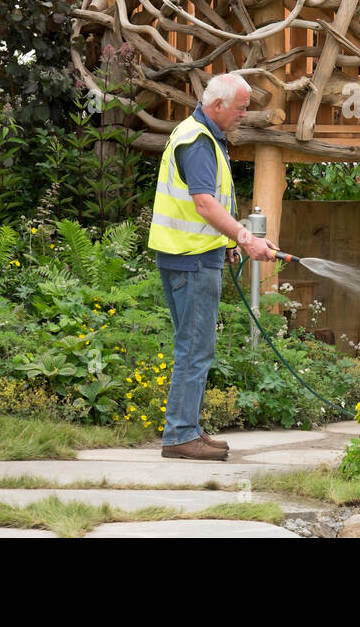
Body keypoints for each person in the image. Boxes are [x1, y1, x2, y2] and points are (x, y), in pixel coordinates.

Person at [148, 73, 277, 461]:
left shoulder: (196, 134)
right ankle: (181, 435)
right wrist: (245, 237)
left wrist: (225, 244)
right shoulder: (199, 142)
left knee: (192, 345)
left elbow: (201, 208)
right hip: (191, 261)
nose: (245, 114)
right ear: (217, 105)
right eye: (241, 108)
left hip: (188, 255)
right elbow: (204, 203)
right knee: (195, 348)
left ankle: (186, 431)